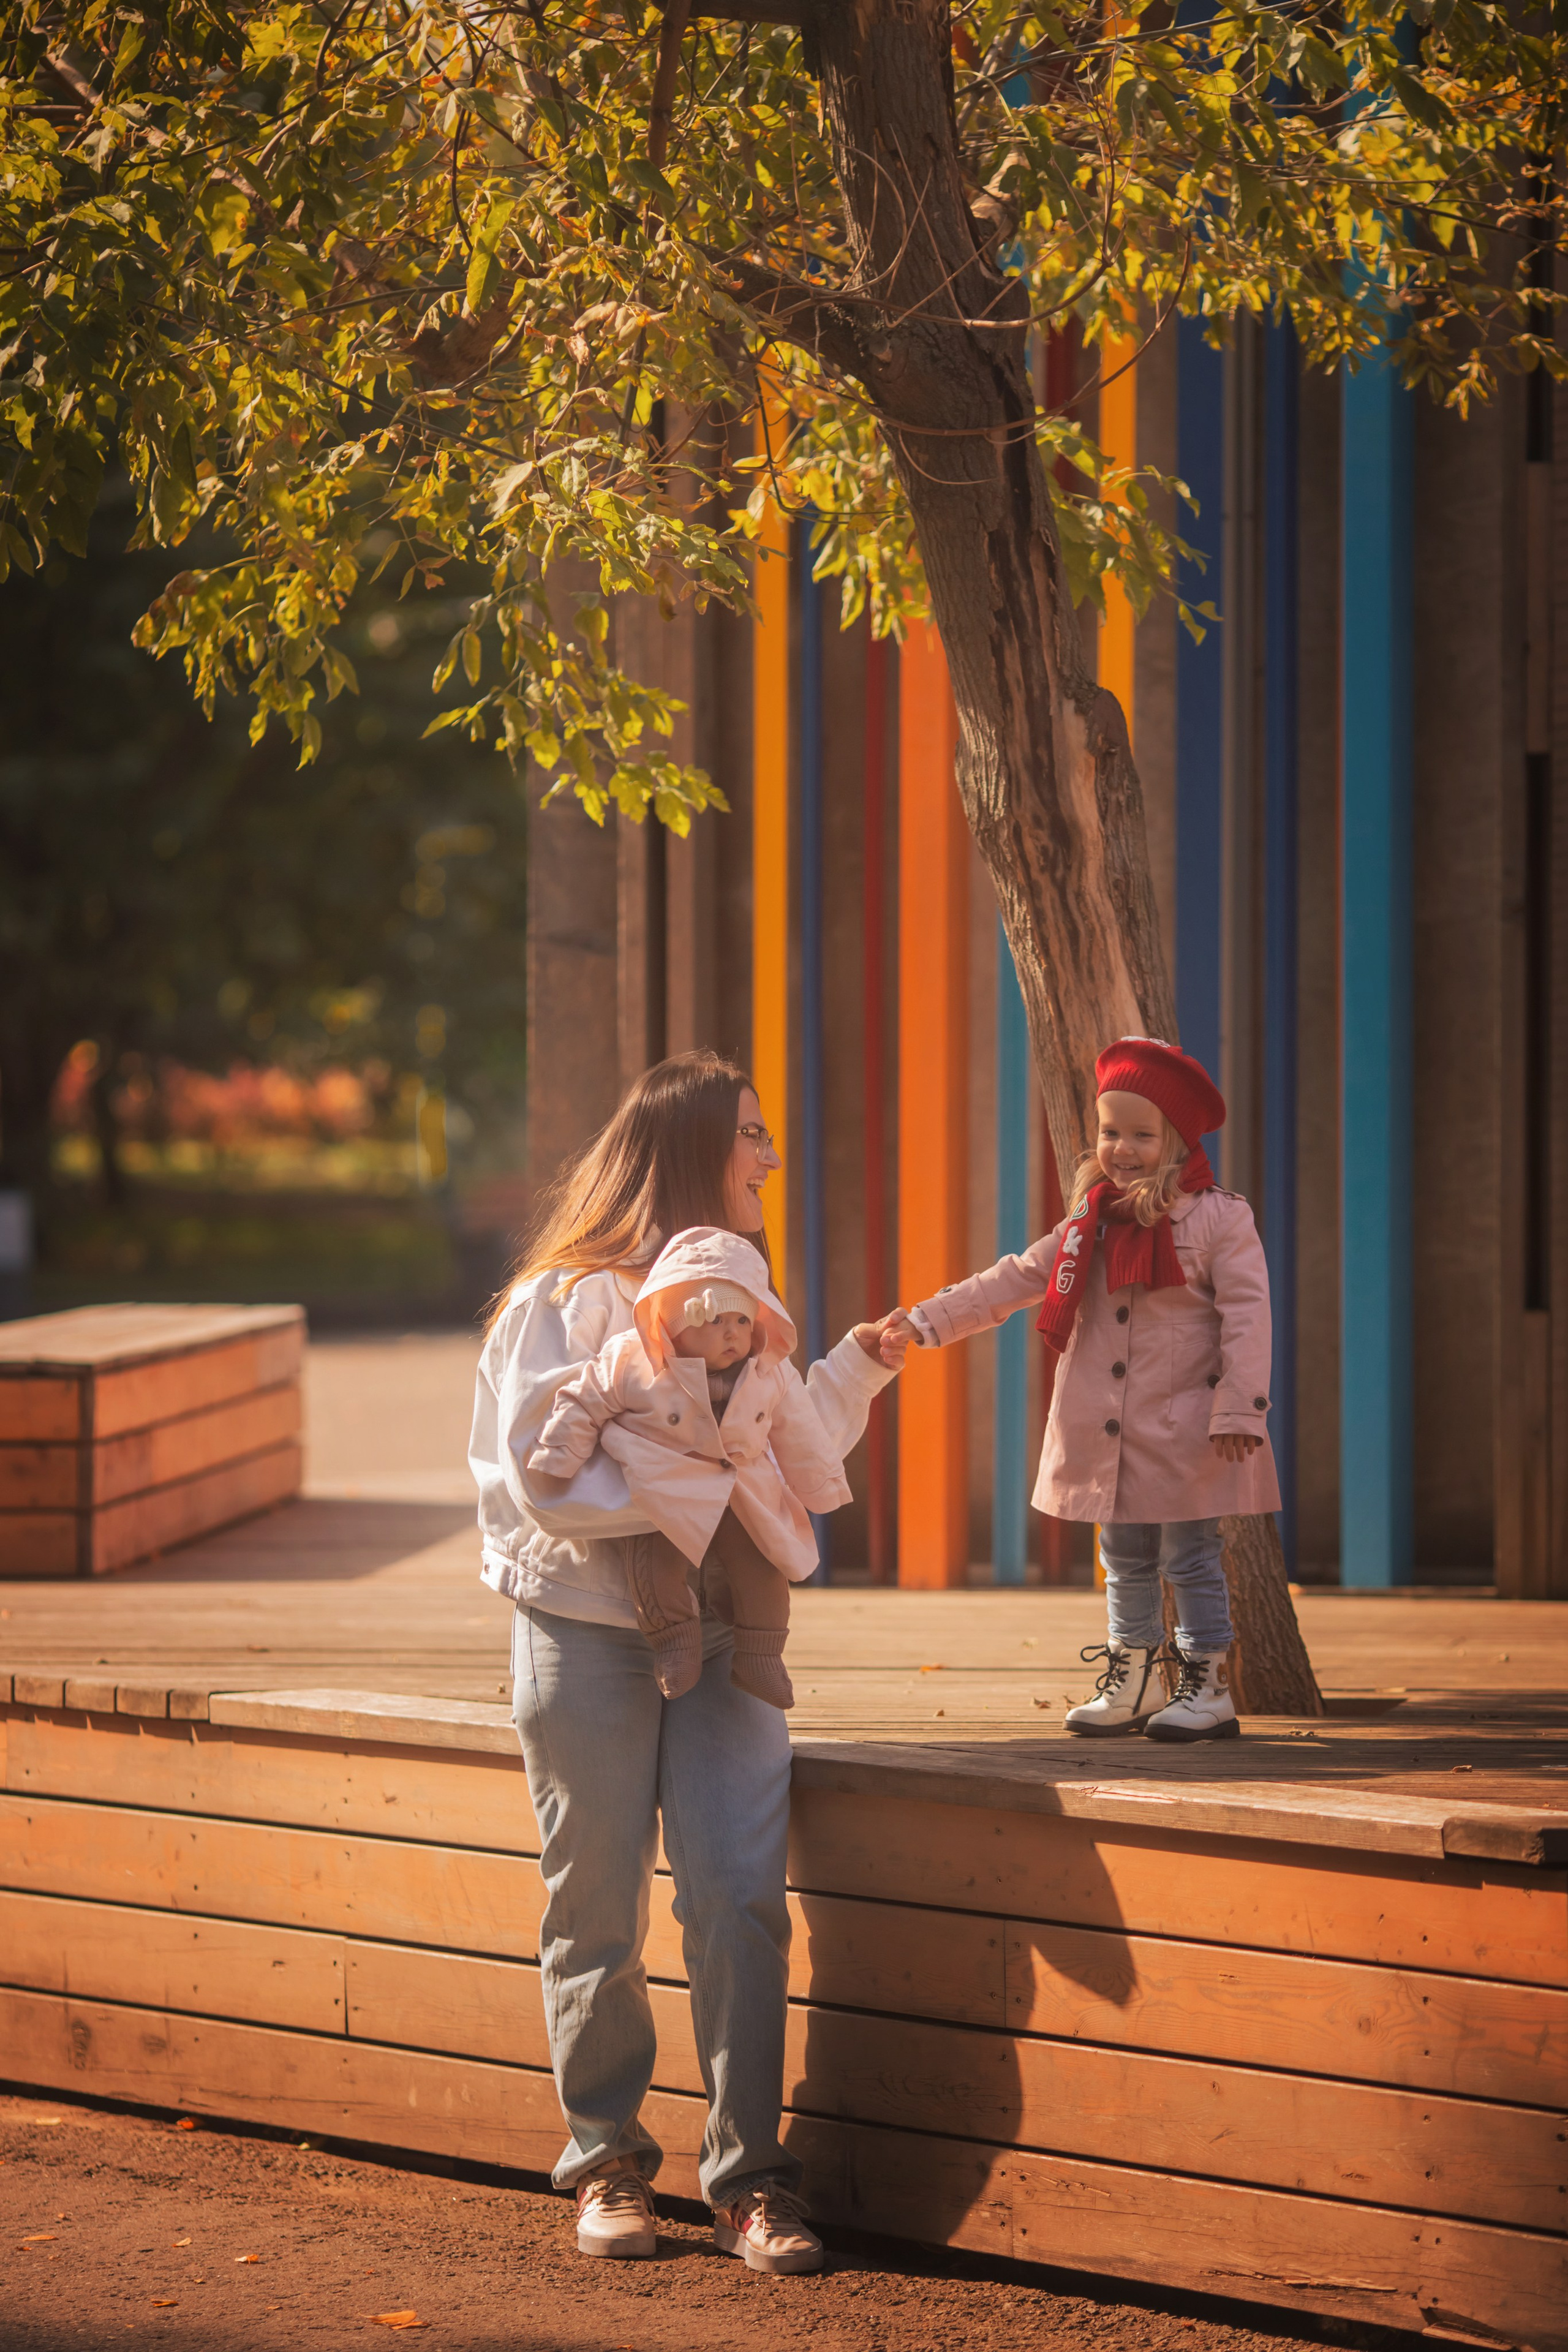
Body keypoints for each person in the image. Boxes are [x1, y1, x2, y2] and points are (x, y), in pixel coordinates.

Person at [470, 1051, 911, 2275]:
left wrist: (860, 1366)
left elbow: (785, 1441)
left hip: (726, 1641)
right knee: (593, 1908)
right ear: (692, 1147)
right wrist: (700, 1492)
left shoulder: (731, 1296)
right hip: (579, 1634)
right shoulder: (557, 1303)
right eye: (753, 1134)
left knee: (736, 1897)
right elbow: (537, 1482)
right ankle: (607, 2162)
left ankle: (748, 2181)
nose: (771, 1155)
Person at [882, 1035, 1278, 1743]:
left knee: (1191, 1554)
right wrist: (923, 1320)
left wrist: (1239, 1408)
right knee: (1123, 1556)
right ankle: (1133, 1679)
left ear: (1179, 1141)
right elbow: (1012, 1279)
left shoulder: (1219, 1218)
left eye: (1140, 1134)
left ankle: (1207, 1683)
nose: (1120, 1148)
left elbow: (1248, 1318)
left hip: (1188, 1424)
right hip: (1108, 1429)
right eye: (1108, 1131)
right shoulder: (1088, 1222)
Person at [527, 1224, 850, 1710]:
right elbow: (584, 1401)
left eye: (743, 1322)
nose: (733, 1334)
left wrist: (821, 1485)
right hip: (665, 1485)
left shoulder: (770, 1371)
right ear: (673, 1324)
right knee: (654, 1568)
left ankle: (762, 1655)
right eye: (715, 1321)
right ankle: (675, 1642)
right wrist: (559, 1454)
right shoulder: (633, 1362)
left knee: (764, 1566)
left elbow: (799, 1431)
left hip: (741, 1489)